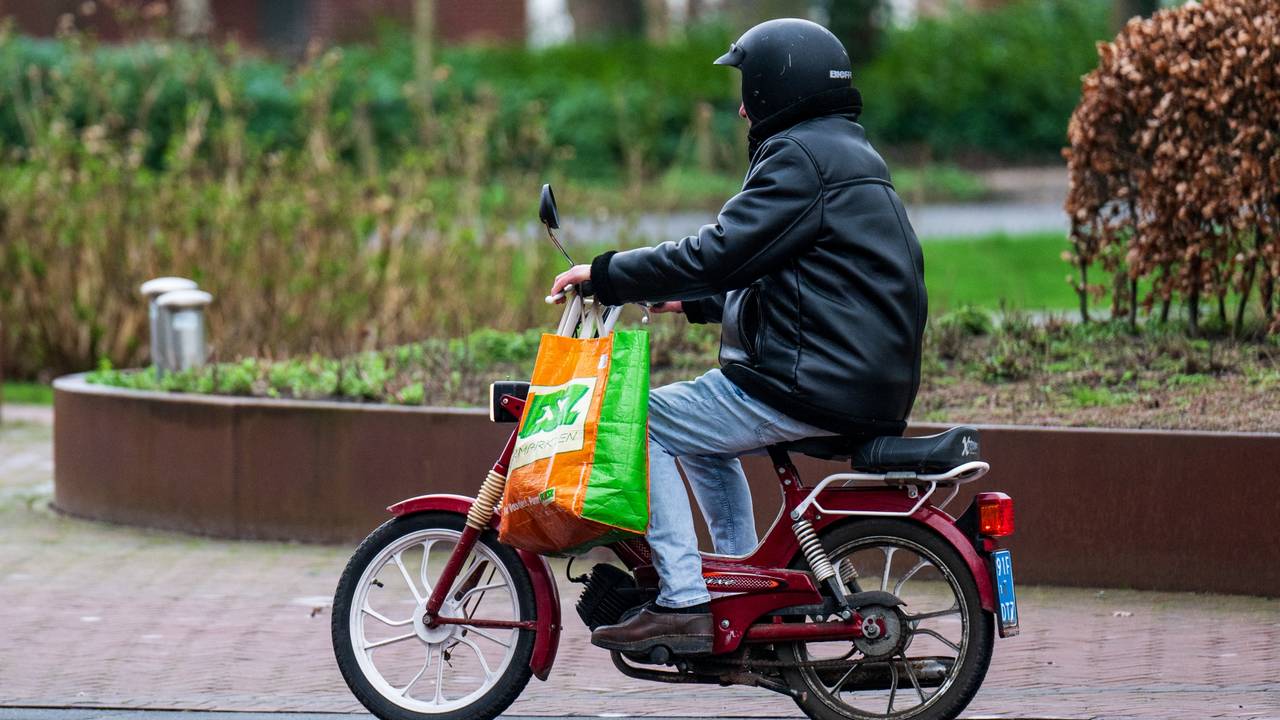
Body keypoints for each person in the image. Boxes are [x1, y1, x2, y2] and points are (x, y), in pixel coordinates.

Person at [549, 18, 927, 656]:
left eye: (749, 89)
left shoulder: (800, 157)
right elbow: (795, 276)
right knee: (696, 428)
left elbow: (721, 251)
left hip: (814, 381)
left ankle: (686, 603)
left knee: (638, 419)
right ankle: (736, 595)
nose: (743, 106)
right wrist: (688, 301)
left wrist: (608, 274)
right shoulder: (844, 151)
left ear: (781, 90)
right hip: (852, 374)